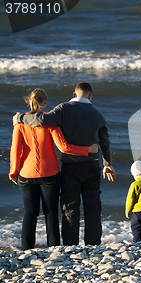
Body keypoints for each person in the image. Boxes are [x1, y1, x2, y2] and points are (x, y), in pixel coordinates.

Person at [14, 82, 116, 245]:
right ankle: (92, 244)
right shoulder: (98, 114)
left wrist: (19, 118)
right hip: (92, 167)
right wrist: (107, 163)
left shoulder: (63, 109)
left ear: (74, 94)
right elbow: (105, 141)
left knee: (70, 207)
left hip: (71, 167)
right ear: (90, 96)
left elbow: (40, 119)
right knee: (93, 207)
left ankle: (70, 245)